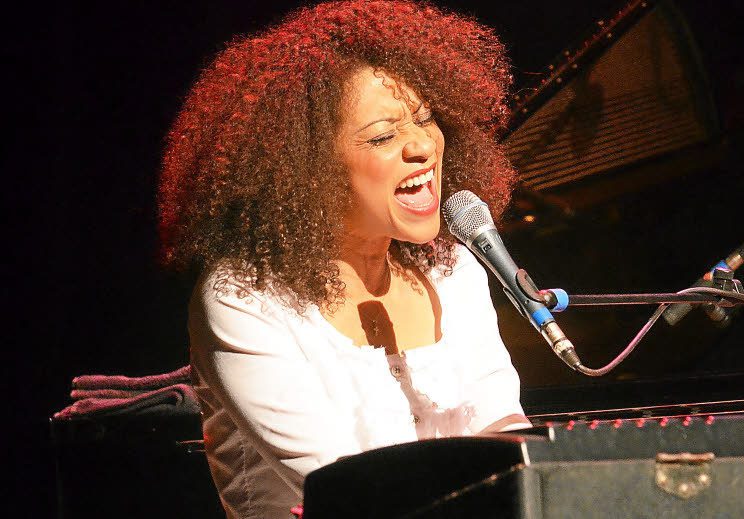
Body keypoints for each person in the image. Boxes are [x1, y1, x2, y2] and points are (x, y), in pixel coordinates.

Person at [156, 1, 530, 516]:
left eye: (425, 119)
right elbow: (353, 490)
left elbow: (503, 433)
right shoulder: (245, 300)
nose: (423, 145)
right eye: (383, 136)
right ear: (306, 167)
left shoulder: (452, 269)